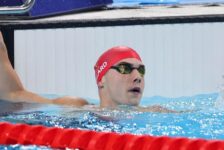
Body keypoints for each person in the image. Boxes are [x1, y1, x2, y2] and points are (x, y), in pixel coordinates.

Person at [0, 31, 173, 112]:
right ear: (101, 80)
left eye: (141, 70)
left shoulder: (155, 113)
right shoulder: (76, 106)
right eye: (124, 68)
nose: (137, 77)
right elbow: (13, 93)